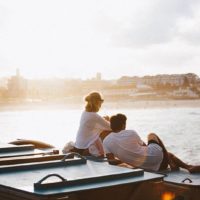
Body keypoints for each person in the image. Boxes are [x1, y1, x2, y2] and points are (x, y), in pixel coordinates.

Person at [103, 113, 200, 173]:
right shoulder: (131, 132)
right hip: (159, 160)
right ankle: (186, 166)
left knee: (167, 154)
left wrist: (124, 159)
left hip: (153, 168)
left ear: (111, 126)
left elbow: (111, 161)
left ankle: (186, 166)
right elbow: (145, 146)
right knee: (152, 135)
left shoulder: (106, 141)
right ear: (124, 124)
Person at [72, 92, 111, 156]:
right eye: (101, 102)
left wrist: (104, 121)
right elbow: (111, 127)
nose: (101, 105)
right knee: (110, 131)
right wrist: (108, 120)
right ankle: (111, 155)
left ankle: (108, 153)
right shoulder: (94, 116)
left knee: (101, 132)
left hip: (79, 147)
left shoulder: (84, 112)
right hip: (85, 148)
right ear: (97, 102)